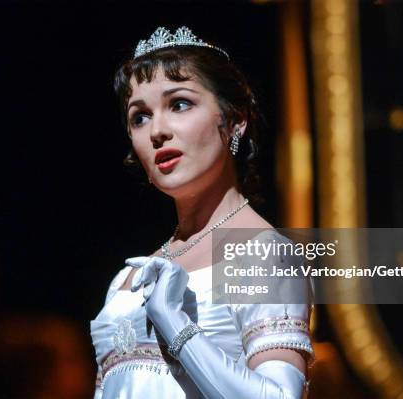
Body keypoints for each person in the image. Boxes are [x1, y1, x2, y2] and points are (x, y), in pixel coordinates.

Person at [90, 27, 314, 399]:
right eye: (140, 117)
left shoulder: (261, 254)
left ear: (234, 119)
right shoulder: (127, 280)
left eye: (179, 104)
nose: (157, 131)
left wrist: (177, 326)